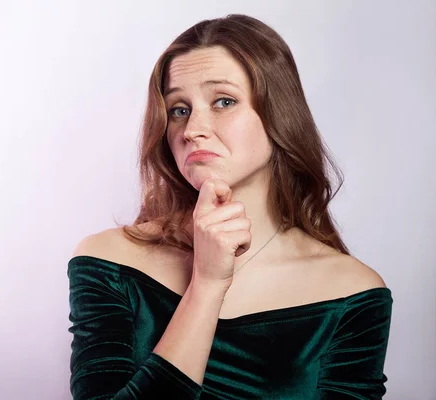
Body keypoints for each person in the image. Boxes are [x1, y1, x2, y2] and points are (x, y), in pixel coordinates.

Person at [66, 13, 393, 399]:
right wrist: (206, 286)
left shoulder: (352, 292)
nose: (192, 130)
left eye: (223, 101)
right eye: (179, 109)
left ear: (279, 116)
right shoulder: (109, 260)